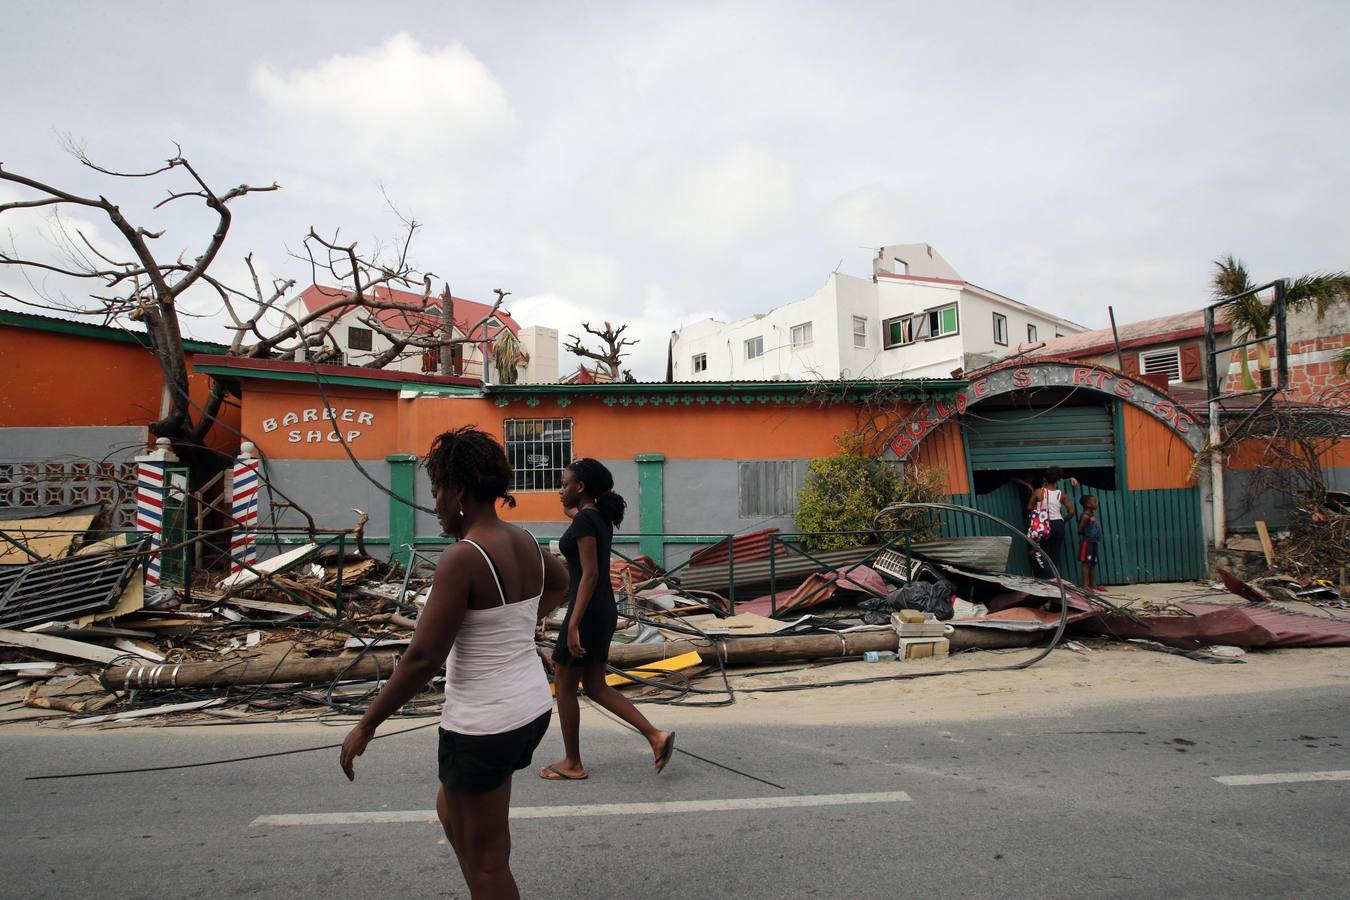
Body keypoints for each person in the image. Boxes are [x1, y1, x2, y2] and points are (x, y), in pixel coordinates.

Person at [340, 426, 569, 900]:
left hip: (484, 724)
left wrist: (366, 726)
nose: (437, 504)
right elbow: (561, 581)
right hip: (528, 710)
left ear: (459, 490)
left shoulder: (463, 558)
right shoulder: (525, 539)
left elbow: (423, 659)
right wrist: (521, 625)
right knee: (453, 811)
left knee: (487, 864)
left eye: (438, 491)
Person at [539, 457, 675, 781]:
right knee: (596, 685)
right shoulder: (596, 517)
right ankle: (656, 736)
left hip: (586, 612)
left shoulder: (586, 521)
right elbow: (578, 522)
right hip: (603, 609)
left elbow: (589, 575)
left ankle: (573, 763)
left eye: (564, 484)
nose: (560, 491)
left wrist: (572, 624)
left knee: (566, 685)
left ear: (581, 487)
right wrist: (571, 510)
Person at [1027, 465, 1075, 579]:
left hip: (1043, 525)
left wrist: (1038, 513)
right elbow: (1071, 512)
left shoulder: (1039, 492)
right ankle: (1054, 581)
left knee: (1040, 553)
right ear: (1058, 480)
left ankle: (1043, 579)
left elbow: (1029, 507)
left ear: (1045, 479)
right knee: (1054, 555)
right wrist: (1063, 521)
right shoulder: (1061, 494)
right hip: (1058, 524)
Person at [1077, 495, 1105, 592]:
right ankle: (1085, 586)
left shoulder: (1091, 515)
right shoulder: (1085, 516)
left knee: (1093, 563)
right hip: (1087, 543)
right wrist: (1088, 534)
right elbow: (1079, 530)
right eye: (1094, 502)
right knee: (1086, 563)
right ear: (1088, 504)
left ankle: (1093, 585)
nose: (1096, 503)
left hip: (1093, 543)